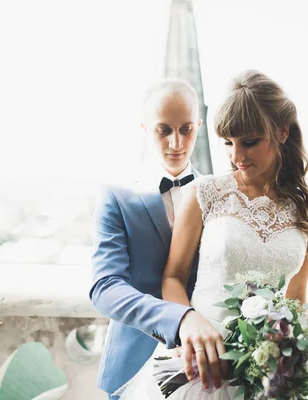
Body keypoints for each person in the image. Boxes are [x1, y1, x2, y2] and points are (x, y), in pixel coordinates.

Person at [118, 70, 308, 399]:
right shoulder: (206, 193)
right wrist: (188, 324)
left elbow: (297, 295)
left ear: (281, 132)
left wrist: (284, 354)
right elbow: (173, 277)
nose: (236, 156)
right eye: (228, 143)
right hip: (201, 364)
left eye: (249, 142)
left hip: (267, 373)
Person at [90, 79, 225, 399]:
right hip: (133, 367)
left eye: (187, 129)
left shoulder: (221, 195)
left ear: (199, 126)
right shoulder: (116, 195)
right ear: (145, 127)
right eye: (163, 130)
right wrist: (180, 319)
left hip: (210, 369)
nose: (176, 142)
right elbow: (105, 287)